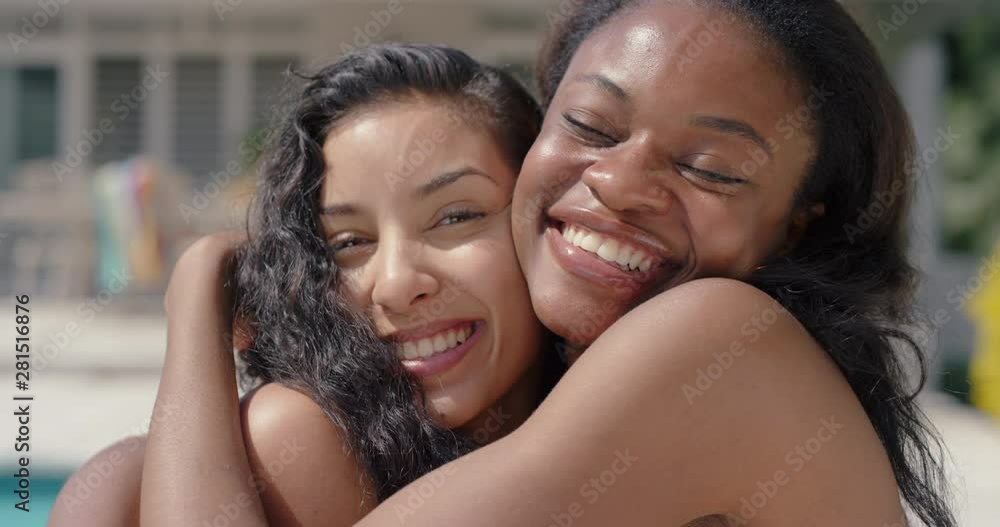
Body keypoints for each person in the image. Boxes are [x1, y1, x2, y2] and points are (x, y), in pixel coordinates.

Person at [117, 1, 966, 526]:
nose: (621, 184)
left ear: (797, 225)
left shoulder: (720, 341)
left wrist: (196, 297)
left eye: (708, 168)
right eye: (593, 128)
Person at [49, 44, 557, 527]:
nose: (398, 283)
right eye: (349, 242)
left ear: (545, 211)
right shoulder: (289, 437)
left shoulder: (619, 412)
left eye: (456, 216)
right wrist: (197, 296)